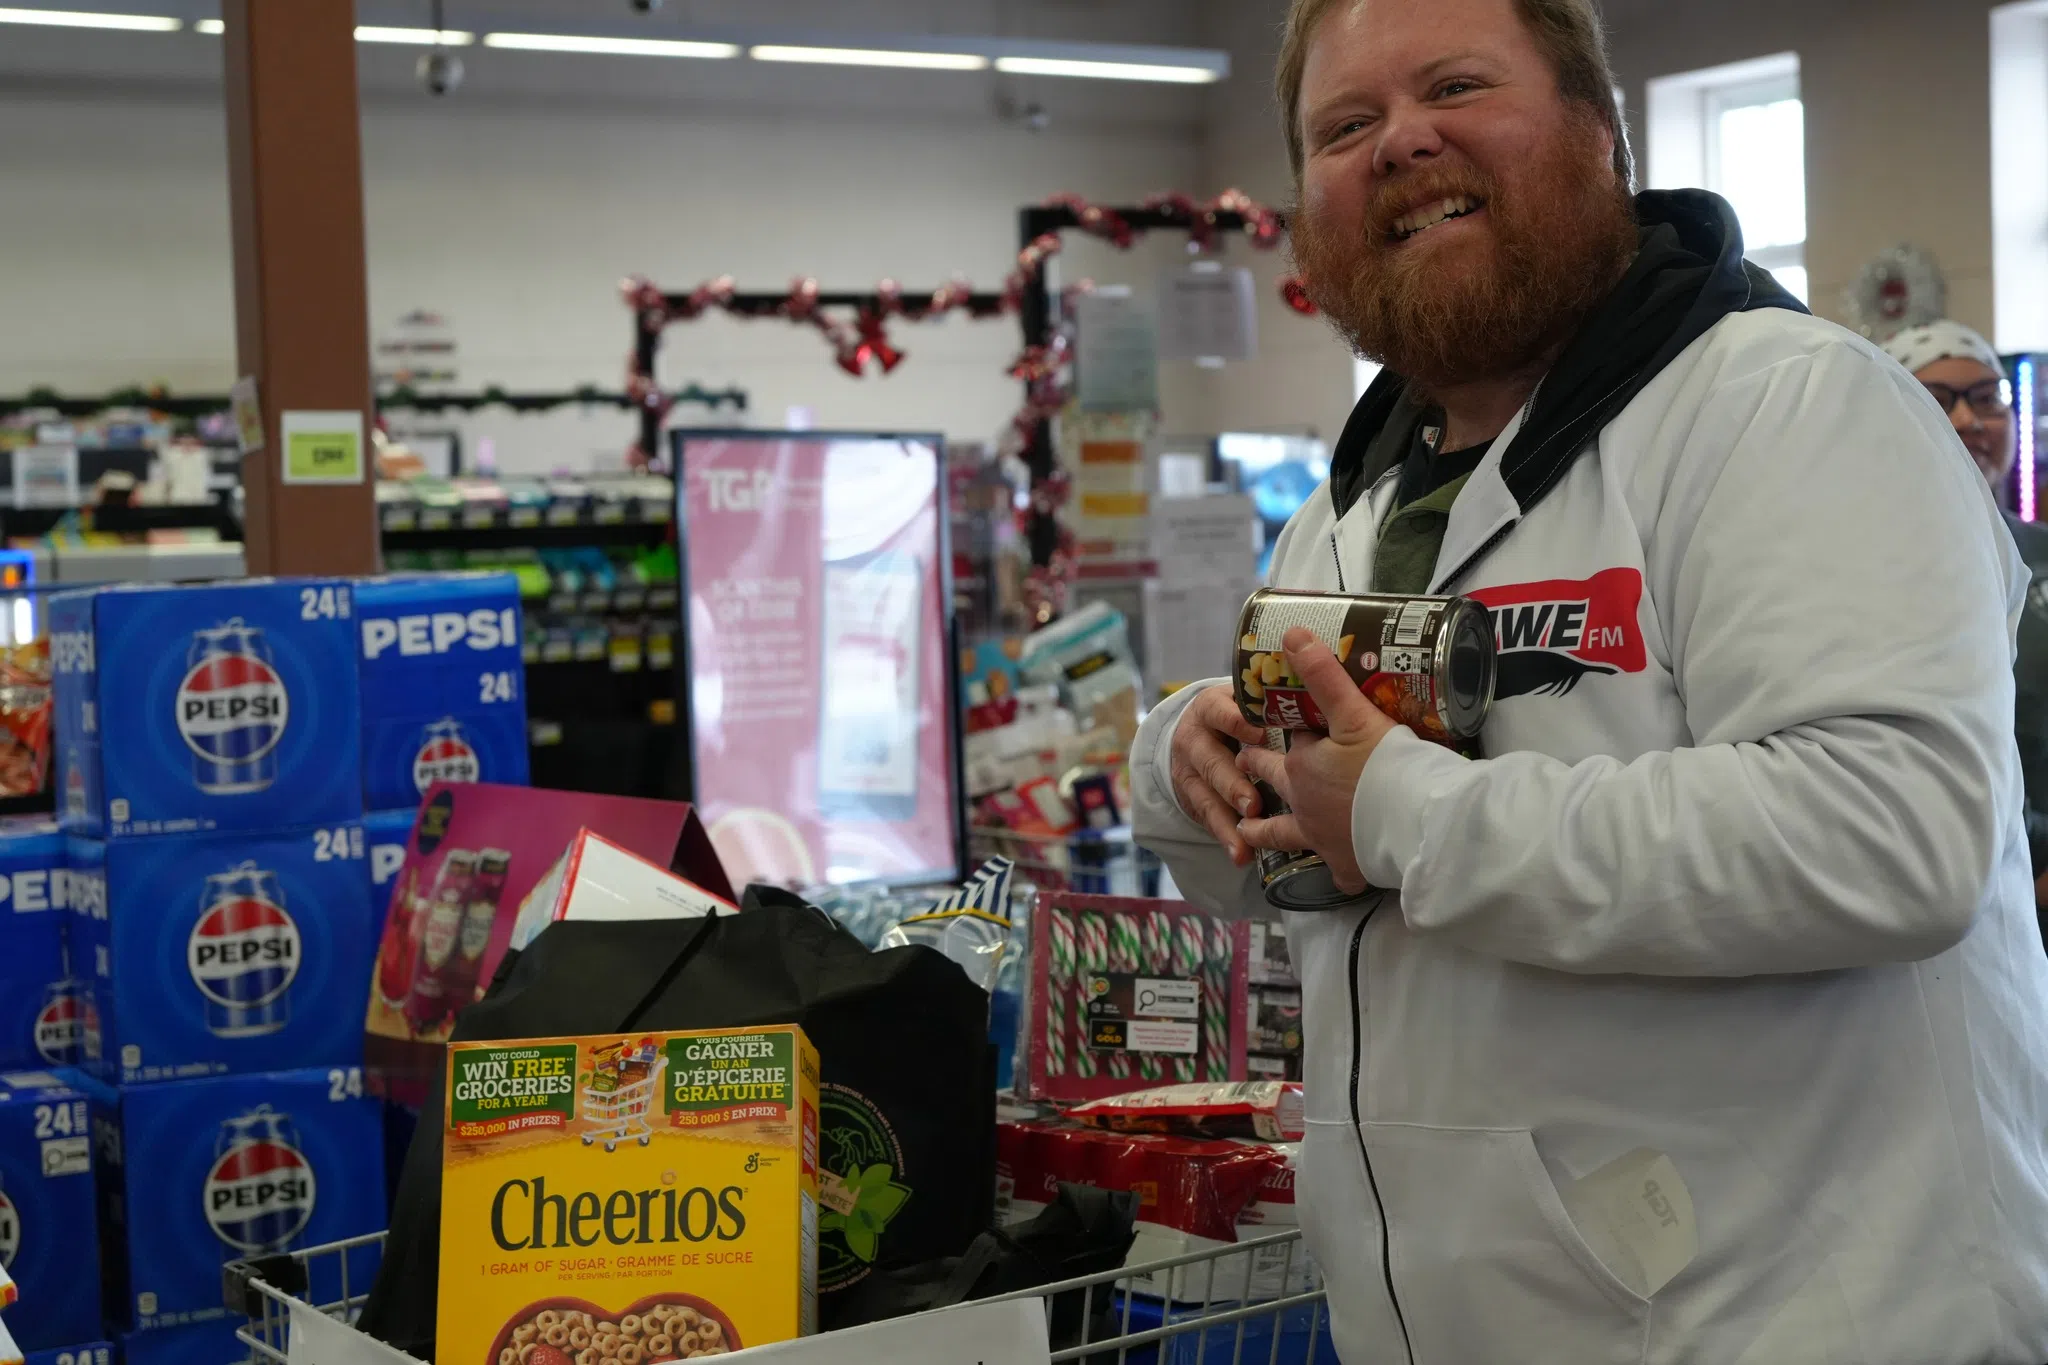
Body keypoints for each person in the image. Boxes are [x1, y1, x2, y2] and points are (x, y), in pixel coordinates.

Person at [1129, 0, 2048, 1360]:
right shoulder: (1355, 505)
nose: (1402, 142)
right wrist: (1192, 769)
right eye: (1346, 125)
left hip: (1794, 1320)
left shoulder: (1788, 410)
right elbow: (1340, 889)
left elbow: (1895, 835)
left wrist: (1407, 811)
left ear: (1597, 131)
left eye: (1454, 84)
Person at [1883, 320, 2048, 922]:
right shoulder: (1858, 566)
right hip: (1937, 890)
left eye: (1985, 399)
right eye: (1936, 400)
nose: (1968, 422)